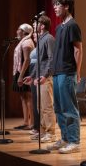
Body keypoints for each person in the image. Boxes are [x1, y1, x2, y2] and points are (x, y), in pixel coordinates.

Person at [46, 0, 83, 154]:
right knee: (59, 108)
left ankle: (74, 141)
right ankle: (65, 138)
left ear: (67, 6)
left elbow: (78, 50)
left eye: (58, 5)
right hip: (57, 72)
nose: (54, 8)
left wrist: (77, 72)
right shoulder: (60, 27)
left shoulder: (72, 25)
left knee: (69, 107)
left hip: (67, 72)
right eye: (53, 5)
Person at [24, 15, 56, 143]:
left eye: (36, 24)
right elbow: (39, 62)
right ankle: (43, 131)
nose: (34, 27)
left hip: (45, 78)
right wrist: (32, 76)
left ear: (42, 26)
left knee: (47, 106)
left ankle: (51, 133)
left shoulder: (49, 38)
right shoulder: (41, 39)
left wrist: (46, 75)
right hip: (38, 77)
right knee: (40, 107)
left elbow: (51, 59)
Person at [13, 23, 34, 130]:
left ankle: (32, 123)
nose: (17, 31)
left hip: (25, 72)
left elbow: (27, 60)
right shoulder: (22, 41)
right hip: (20, 71)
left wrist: (21, 76)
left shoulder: (27, 42)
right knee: (23, 97)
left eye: (18, 29)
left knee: (29, 97)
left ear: (24, 32)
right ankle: (26, 122)